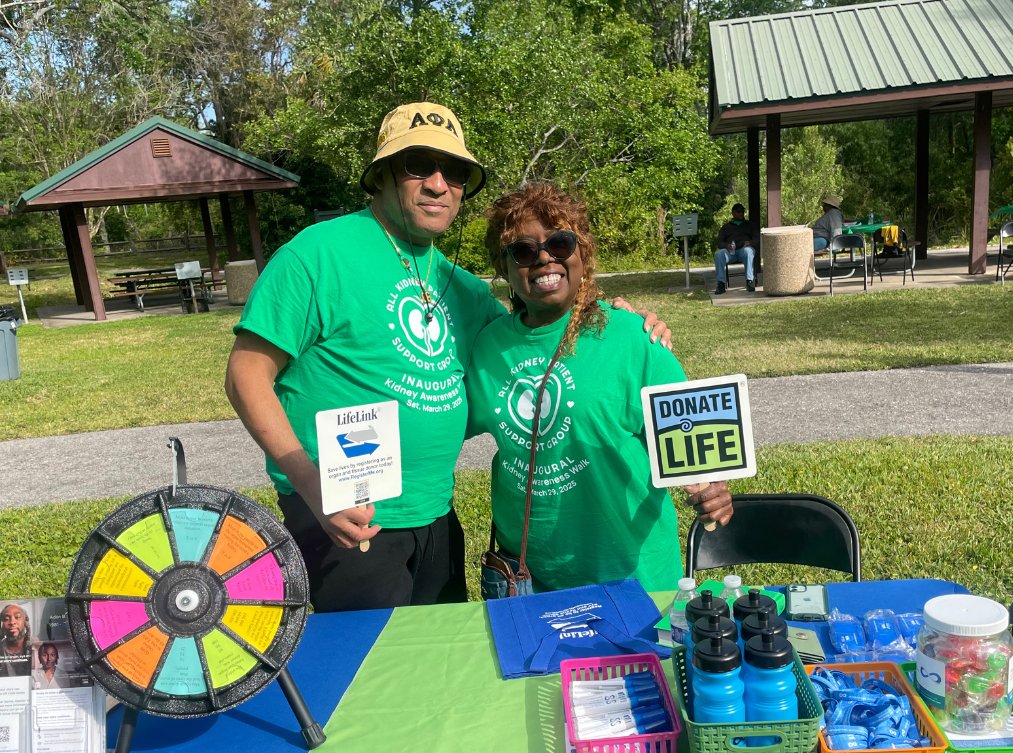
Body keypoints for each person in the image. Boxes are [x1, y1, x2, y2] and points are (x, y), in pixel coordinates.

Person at [225, 100, 678, 613]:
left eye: (455, 171)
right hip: (348, 516)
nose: (439, 184)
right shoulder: (316, 254)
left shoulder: (462, 289)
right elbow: (245, 375)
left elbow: (540, 327)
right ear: (382, 175)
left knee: (440, 669)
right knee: (374, 675)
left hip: (437, 517)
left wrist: (614, 316)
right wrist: (312, 485)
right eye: (419, 165)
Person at [464, 183, 733, 593]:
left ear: (582, 252)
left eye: (559, 243)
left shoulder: (635, 338)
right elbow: (439, 426)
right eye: (524, 250)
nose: (544, 259)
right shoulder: (488, 348)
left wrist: (714, 488)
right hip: (532, 579)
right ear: (504, 268)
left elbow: (695, 446)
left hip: (634, 578)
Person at [713, 203, 759, 293]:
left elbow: (757, 238)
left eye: (742, 211)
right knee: (719, 254)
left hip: (744, 251)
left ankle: (749, 281)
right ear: (733, 213)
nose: (741, 213)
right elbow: (719, 243)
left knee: (748, 251)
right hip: (731, 252)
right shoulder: (726, 227)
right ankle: (721, 284)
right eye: (738, 211)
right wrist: (727, 246)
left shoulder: (749, 225)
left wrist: (750, 242)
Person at [1, 603, 31, 678]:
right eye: (6, 619)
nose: (12, 622)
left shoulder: (36, 647)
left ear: (25, 622)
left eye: (17, 617)